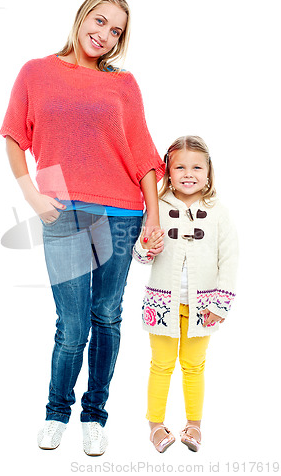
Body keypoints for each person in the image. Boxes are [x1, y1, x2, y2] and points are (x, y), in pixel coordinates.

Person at [0, 0, 165, 456]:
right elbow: (14, 134)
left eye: (116, 31)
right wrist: (33, 195)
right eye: (99, 21)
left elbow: (145, 153)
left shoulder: (122, 84)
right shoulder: (36, 72)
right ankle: (56, 413)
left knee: (106, 316)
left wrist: (153, 215)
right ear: (80, 17)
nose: (105, 35)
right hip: (63, 212)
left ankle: (94, 414)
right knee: (72, 325)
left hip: (122, 213)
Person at [133, 135, 238, 453]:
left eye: (196, 167)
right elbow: (139, 255)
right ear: (167, 170)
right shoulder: (158, 208)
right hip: (162, 303)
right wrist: (146, 247)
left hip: (204, 305)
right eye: (179, 167)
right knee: (161, 364)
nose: (188, 173)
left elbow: (229, 258)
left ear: (208, 172)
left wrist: (221, 304)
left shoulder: (217, 212)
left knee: (194, 365)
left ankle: (194, 425)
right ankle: (155, 426)